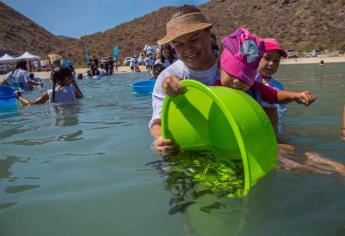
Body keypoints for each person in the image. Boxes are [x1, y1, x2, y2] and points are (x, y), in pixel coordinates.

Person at [150, 5, 218, 154]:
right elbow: (157, 123)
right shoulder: (167, 76)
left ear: (208, 32)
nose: (188, 49)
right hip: (188, 148)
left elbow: (265, 107)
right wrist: (161, 138)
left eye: (194, 39)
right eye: (178, 44)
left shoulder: (233, 67)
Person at [15, 66, 83, 105]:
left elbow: (30, 104)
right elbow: (81, 97)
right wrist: (74, 83)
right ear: (67, 78)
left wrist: (20, 97)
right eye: (71, 76)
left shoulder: (49, 93)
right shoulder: (73, 89)